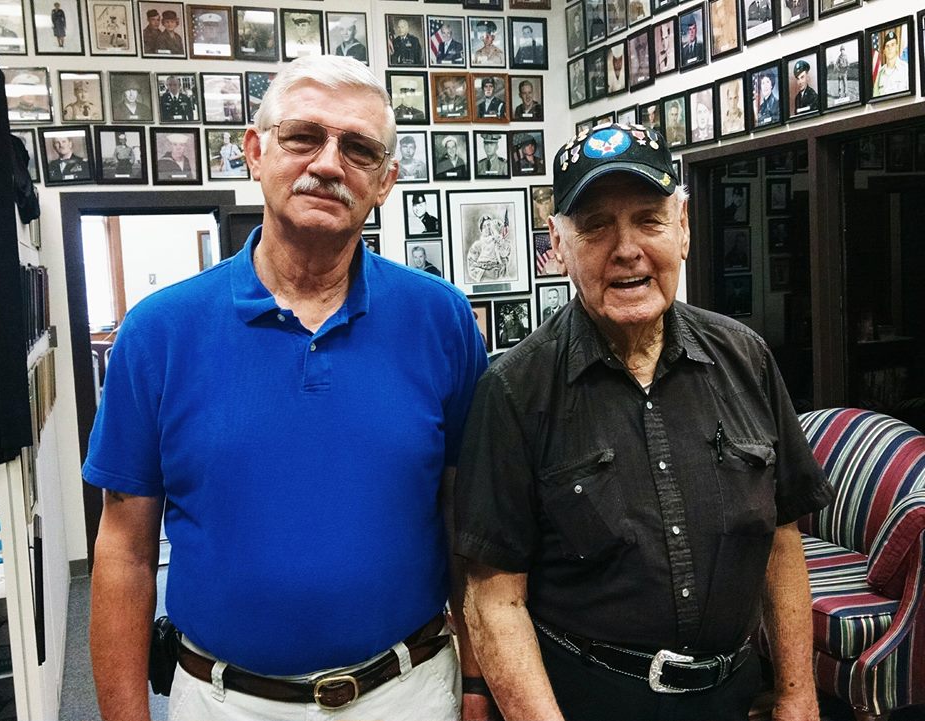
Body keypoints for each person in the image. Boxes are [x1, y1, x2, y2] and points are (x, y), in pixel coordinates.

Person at [85, 53, 488, 721]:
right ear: (255, 150)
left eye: (358, 149)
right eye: (303, 136)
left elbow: (465, 522)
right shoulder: (158, 332)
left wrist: (476, 684)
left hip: (409, 692)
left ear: (385, 181)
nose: (329, 164)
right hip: (222, 701)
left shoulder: (440, 319)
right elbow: (124, 549)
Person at [454, 122, 833, 721]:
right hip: (587, 700)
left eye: (648, 220)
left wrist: (797, 693)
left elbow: (781, 538)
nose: (626, 248)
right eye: (597, 225)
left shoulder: (747, 358)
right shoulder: (514, 390)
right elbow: (494, 598)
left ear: (682, 229)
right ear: (558, 245)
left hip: (733, 697)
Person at [467, 214, 511, 281]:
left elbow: (504, 254)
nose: (487, 228)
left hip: (499, 275)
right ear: (481, 230)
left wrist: (498, 236)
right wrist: (485, 274)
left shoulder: (498, 241)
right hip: (484, 276)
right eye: (484, 226)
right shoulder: (477, 245)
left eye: (489, 225)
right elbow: (471, 265)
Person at [872, 30, 909, 97]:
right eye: (887, 46)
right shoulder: (880, 73)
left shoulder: (905, 69)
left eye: (892, 45)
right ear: (884, 51)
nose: (890, 49)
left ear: (897, 47)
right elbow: (875, 97)